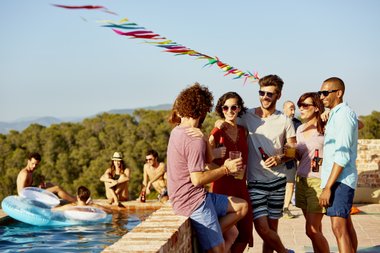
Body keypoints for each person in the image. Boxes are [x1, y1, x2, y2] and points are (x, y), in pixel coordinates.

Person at [167, 83, 248, 253]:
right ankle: (207, 235)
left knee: (242, 208)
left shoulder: (178, 131)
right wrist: (226, 169)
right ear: (203, 110)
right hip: (193, 203)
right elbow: (197, 179)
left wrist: (204, 138)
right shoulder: (192, 139)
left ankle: (207, 233)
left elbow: (209, 158)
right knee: (218, 250)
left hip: (190, 197)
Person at [238, 74, 296, 253]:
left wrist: (280, 158)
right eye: (262, 93)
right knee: (262, 229)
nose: (265, 97)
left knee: (272, 231)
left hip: (278, 181)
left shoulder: (285, 120)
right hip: (255, 182)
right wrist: (217, 123)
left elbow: (293, 149)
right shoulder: (247, 116)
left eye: (269, 94)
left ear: (278, 95)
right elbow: (228, 122)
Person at [208, 92, 254, 253]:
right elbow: (206, 163)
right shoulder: (217, 132)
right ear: (221, 109)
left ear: (239, 108)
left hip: (241, 186)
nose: (229, 110)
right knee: (229, 234)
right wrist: (225, 171)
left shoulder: (243, 131)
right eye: (225, 107)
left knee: (245, 234)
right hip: (223, 188)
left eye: (233, 107)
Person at [318, 77, 358, 252]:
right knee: (345, 225)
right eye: (321, 93)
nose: (322, 96)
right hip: (337, 179)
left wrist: (328, 187)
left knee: (338, 228)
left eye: (326, 93)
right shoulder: (336, 114)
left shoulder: (344, 115)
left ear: (339, 93)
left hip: (339, 181)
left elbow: (342, 155)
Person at [294, 92, 330, 252]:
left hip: (318, 181)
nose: (301, 108)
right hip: (301, 180)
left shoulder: (326, 125)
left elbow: (358, 125)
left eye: (305, 105)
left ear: (316, 108)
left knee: (311, 229)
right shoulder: (300, 129)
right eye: (299, 105)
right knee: (315, 230)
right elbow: (300, 156)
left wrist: (332, 114)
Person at [282, 100, 302, 219]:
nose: (293, 111)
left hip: (290, 159)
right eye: (290, 108)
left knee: (290, 183)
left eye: (294, 109)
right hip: (276, 159)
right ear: (284, 109)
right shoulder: (278, 121)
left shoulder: (298, 124)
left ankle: (286, 209)